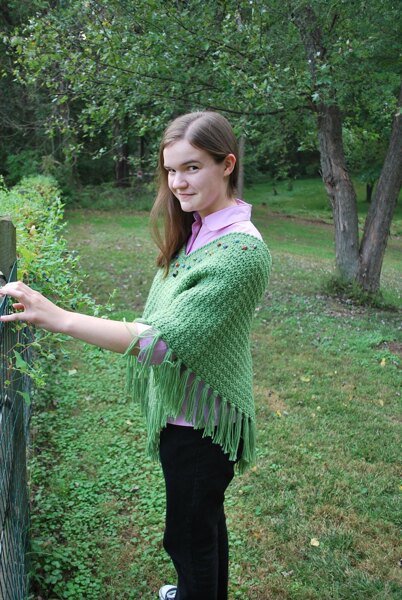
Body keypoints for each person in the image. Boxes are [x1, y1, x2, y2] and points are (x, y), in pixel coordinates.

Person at [0, 111, 271, 600]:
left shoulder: (241, 252)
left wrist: (57, 316)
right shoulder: (199, 229)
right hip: (188, 416)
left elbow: (159, 342)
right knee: (204, 528)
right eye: (170, 170)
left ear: (227, 164)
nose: (178, 182)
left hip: (202, 428)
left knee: (187, 538)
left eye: (191, 168)